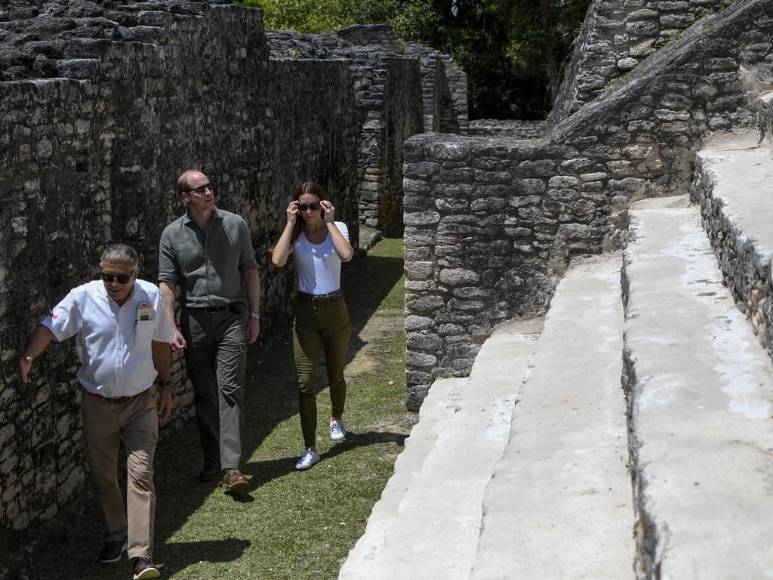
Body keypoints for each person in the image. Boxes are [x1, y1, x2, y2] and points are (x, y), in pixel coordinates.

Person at [19, 244, 174, 580]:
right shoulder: (83, 297)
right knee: (104, 477)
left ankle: (141, 556)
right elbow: (50, 326)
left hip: (140, 402)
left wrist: (167, 384)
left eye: (121, 277)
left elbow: (160, 341)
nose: (113, 283)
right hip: (97, 404)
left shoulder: (150, 297)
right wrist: (29, 356)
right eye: (107, 276)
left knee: (141, 475)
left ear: (135, 273)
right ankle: (116, 535)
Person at [158, 169, 260, 493]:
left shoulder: (235, 224)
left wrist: (254, 315)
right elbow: (167, 284)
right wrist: (170, 325)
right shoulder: (171, 235)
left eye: (209, 186)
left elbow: (250, 270)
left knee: (229, 387)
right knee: (204, 393)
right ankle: (212, 462)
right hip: (194, 320)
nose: (208, 192)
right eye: (199, 189)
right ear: (185, 196)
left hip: (231, 315)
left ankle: (231, 468)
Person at [271, 181, 354, 470]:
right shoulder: (296, 235)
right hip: (306, 311)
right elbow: (278, 260)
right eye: (302, 206)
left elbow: (346, 255)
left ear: (323, 205)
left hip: (335, 308)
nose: (308, 211)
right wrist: (289, 223)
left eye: (313, 206)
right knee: (305, 383)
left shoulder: (338, 228)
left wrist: (330, 222)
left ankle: (337, 416)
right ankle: (310, 447)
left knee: (335, 373)